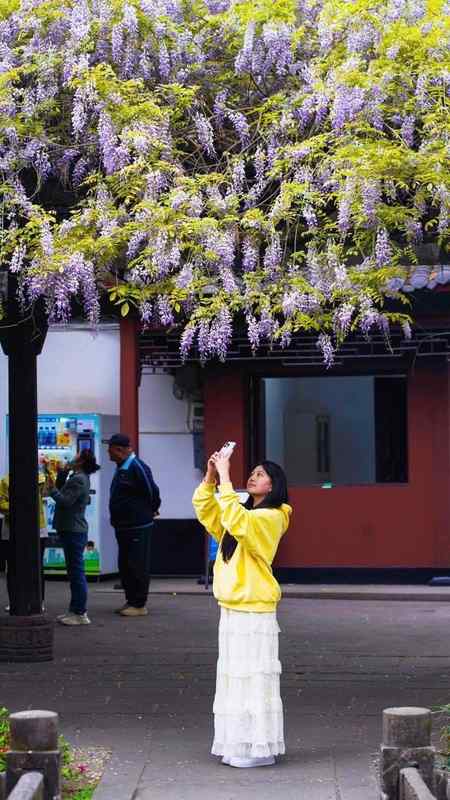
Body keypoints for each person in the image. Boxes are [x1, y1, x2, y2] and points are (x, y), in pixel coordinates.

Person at [192, 448, 292, 769]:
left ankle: (258, 748)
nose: (253, 476)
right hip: (234, 606)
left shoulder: (273, 516)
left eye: (261, 474)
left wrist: (226, 477)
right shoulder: (244, 512)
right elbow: (208, 512)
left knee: (253, 679)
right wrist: (211, 477)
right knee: (235, 679)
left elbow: (237, 520)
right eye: (253, 472)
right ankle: (240, 744)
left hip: (255, 609)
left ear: (273, 486)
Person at [108, 433, 161, 617]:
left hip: (138, 525)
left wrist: (152, 510)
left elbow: (152, 491)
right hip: (123, 526)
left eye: (110, 449)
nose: (108, 453)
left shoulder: (136, 466)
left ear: (119, 450)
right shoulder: (122, 466)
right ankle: (131, 600)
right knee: (125, 565)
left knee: (137, 564)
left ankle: (139, 604)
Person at [45, 449, 100, 626]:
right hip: (72, 529)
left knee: (76, 573)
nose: (71, 458)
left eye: (75, 457)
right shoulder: (77, 476)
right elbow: (65, 492)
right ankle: (74, 610)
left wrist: (51, 488)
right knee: (74, 571)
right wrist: (61, 472)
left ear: (81, 462)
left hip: (73, 530)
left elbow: (65, 501)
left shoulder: (78, 479)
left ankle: (80, 612)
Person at [0, 472, 48, 612]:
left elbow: (47, 490)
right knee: (13, 567)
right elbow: (1, 502)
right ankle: (15, 600)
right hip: (12, 530)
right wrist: (20, 508)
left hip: (37, 529)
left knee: (36, 567)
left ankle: (38, 600)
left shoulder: (39, 478)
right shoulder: (5, 481)